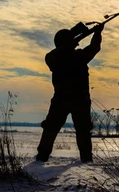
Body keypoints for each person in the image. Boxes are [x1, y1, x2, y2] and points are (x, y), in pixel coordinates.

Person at [36, 22, 104, 163]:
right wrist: (95, 34)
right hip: (69, 99)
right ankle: (42, 158)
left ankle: (85, 160)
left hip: (70, 99)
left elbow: (93, 48)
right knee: (53, 129)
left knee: (81, 131)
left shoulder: (60, 56)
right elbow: (93, 48)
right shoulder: (58, 57)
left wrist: (96, 34)